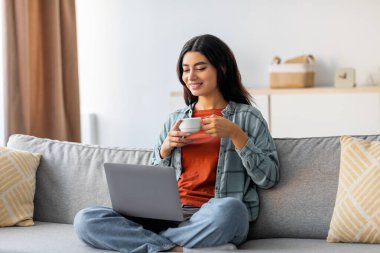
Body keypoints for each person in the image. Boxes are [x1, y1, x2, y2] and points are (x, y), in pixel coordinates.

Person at [73, 34, 280, 253]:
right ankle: (177, 249)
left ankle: (149, 242)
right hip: (169, 215)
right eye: (185, 69)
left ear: (222, 68)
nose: (191, 76)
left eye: (200, 68)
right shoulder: (176, 119)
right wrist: (164, 151)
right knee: (85, 219)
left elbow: (269, 178)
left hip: (212, 215)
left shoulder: (247, 117)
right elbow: (152, 184)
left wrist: (237, 135)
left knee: (232, 210)